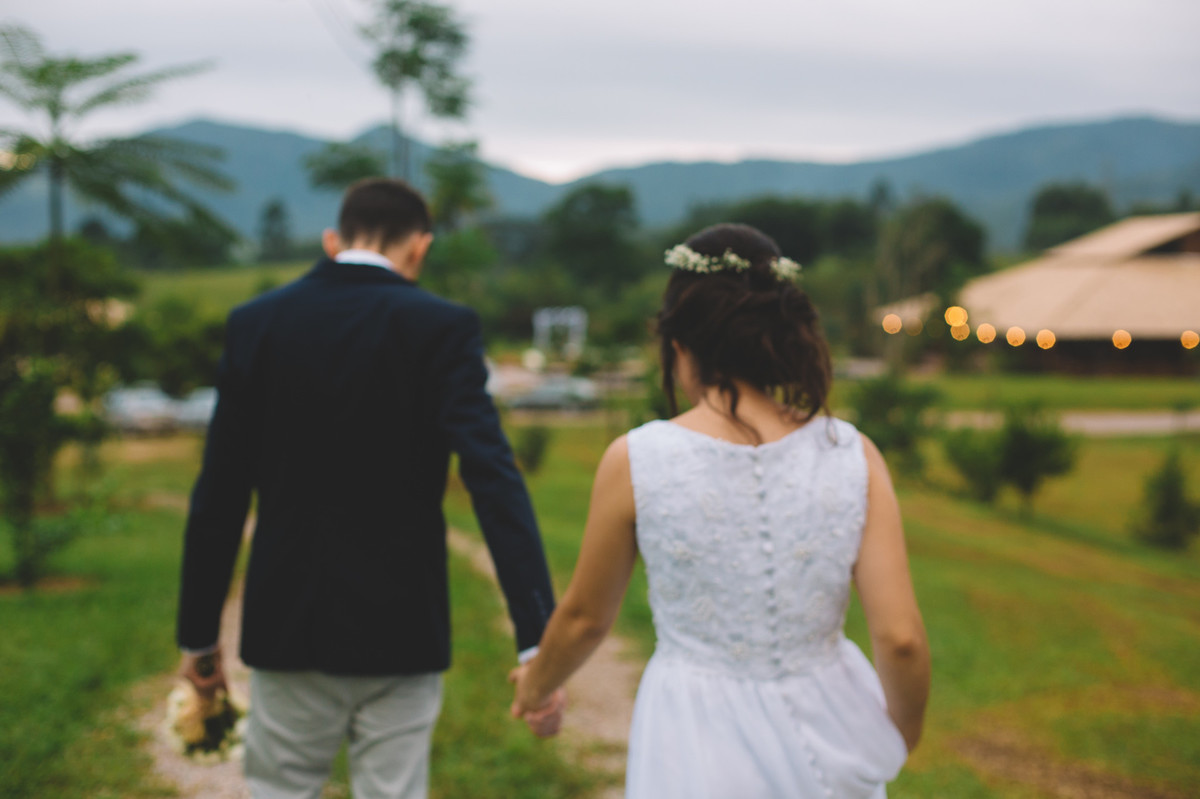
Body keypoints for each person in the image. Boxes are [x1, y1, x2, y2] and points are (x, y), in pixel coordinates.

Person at [510, 223, 930, 798]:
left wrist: (535, 688)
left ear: (680, 344)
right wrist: (897, 736)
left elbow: (585, 619)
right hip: (831, 730)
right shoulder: (852, 453)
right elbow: (901, 637)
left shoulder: (636, 458)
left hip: (693, 737)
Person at [176, 178, 561, 799]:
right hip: (403, 624)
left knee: (279, 788)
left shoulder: (257, 323)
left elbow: (218, 492)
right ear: (421, 248)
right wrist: (535, 638)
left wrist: (199, 639)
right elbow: (493, 477)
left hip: (287, 622)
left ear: (333, 242)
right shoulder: (444, 327)